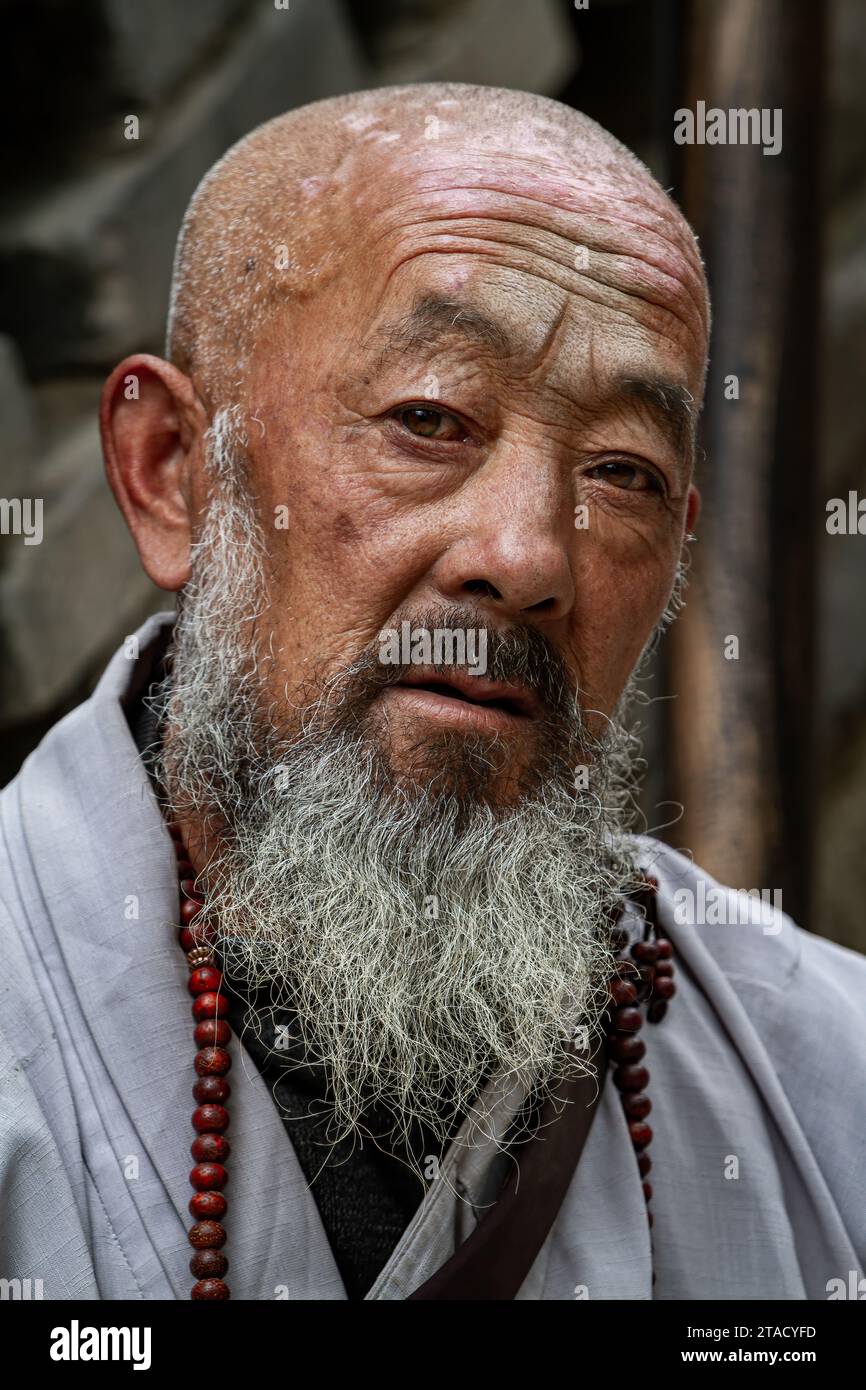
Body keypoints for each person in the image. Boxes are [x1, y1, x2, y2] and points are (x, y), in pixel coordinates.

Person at [1, 83, 863, 1302]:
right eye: (428, 418)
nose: (524, 557)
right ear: (172, 472)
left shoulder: (824, 1079)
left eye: (619, 470)